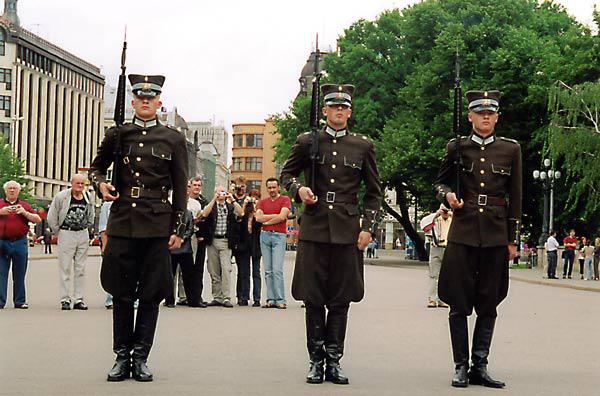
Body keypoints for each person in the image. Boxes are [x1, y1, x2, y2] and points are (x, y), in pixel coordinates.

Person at [89, 74, 188, 382]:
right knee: (120, 293)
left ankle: (141, 357)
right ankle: (121, 356)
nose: (146, 102)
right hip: (122, 221)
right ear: (133, 102)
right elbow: (95, 168)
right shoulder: (118, 134)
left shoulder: (172, 139)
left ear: (159, 102)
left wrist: (179, 227)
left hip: (157, 222)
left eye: (152, 97)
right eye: (140, 98)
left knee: (150, 293)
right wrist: (101, 184)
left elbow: (181, 186)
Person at [280, 83, 381, 385]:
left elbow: (374, 193)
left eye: (344, 107)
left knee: (341, 298)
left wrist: (368, 228)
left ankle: (334, 360)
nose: (339, 111)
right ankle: (315, 360)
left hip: (348, 230)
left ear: (350, 112)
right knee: (312, 297)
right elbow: (286, 174)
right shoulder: (307, 142)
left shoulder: (362, 146)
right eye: (333, 107)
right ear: (324, 111)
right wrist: (299, 190)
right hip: (314, 228)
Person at [434, 90, 521, 388]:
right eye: (480, 112)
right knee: (458, 303)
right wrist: (447, 195)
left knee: (489, 303)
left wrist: (513, 239)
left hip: (496, 234)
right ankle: (461, 365)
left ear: (497, 117)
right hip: (464, 231)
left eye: (491, 113)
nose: (486, 117)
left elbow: (516, 196)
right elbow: (440, 182)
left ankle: (480, 365)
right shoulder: (456, 147)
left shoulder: (510, 150)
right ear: (469, 116)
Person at [47, 174, 95, 311]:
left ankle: (79, 299)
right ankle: (65, 299)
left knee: (80, 268)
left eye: (82, 183)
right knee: (65, 268)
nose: (80, 186)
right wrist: (59, 231)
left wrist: (88, 227)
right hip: (66, 232)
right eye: (77, 183)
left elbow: (91, 215)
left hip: (82, 232)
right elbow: (51, 216)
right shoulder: (62, 197)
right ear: (72, 183)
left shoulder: (88, 197)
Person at [0, 180, 41, 309]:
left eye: (14, 189)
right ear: (5, 191)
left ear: (18, 191)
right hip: (2, 241)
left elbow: (38, 219)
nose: (12, 190)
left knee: (20, 273)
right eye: (10, 188)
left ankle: (20, 301)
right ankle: (1, 301)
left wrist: (24, 212)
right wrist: (1, 212)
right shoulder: (0, 204)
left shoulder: (24, 205)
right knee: (1, 273)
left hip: (19, 242)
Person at [201, 185, 243, 308]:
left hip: (225, 241)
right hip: (212, 240)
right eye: (218, 192)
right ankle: (217, 297)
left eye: (222, 192)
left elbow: (241, 213)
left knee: (226, 269)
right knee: (214, 270)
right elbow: (204, 213)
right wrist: (214, 199)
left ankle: (226, 297)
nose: (220, 194)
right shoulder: (212, 206)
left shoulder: (230, 207)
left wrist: (232, 199)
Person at [255, 178, 291, 309]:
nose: (271, 190)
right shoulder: (262, 202)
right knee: (268, 270)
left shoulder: (285, 200)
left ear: (278, 187)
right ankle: (270, 299)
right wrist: (275, 216)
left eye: (274, 187)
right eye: (269, 188)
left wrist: (268, 221)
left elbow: (283, 216)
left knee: (277, 269)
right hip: (264, 236)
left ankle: (280, 299)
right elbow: (258, 218)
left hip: (279, 236)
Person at [420, 205, 452, 308]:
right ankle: (432, 299)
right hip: (436, 248)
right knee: (434, 275)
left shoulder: (453, 219)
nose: (445, 213)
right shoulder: (434, 220)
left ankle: (443, 299)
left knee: (447, 276)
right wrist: (437, 213)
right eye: (444, 210)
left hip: (449, 249)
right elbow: (424, 223)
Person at [234, 196, 262, 306]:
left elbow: (260, 224)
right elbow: (238, 225)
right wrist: (244, 206)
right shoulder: (243, 217)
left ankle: (257, 298)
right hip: (244, 248)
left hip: (256, 246)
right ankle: (244, 297)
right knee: (244, 273)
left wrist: (256, 211)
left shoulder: (257, 216)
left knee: (256, 273)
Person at [188, 176, 209, 307]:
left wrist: (202, 235)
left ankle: (196, 296)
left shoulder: (203, 201)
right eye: (194, 185)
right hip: (184, 238)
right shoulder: (182, 200)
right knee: (183, 268)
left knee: (198, 269)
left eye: (198, 185)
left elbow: (206, 220)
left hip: (199, 238)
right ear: (189, 186)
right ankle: (182, 296)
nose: (196, 187)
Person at [98, 200, 114, 309]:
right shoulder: (107, 205)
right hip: (113, 241)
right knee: (112, 271)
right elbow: (103, 227)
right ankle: (111, 299)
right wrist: (104, 245)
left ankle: (134, 299)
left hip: (131, 239)